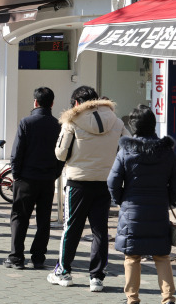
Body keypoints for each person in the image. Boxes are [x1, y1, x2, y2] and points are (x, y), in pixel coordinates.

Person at [48, 86, 129, 292]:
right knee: (100, 230)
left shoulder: (71, 121)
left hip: (78, 181)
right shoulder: (116, 121)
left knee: (72, 228)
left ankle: (64, 272)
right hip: (105, 181)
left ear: (76, 103)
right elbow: (128, 147)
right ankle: (97, 278)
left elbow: (60, 153)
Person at [108, 105, 176, 304]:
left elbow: (113, 181)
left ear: (133, 126)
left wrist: (120, 200)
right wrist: (169, 198)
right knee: (161, 255)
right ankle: (168, 298)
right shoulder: (166, 150)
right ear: (153, 125)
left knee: (132, 256)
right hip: (158, 208)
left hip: (132, 210)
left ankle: (132, 298)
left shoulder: (126, 150)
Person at [4, 87, 63, 270]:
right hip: (47, 179)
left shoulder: (26, 122)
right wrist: (55, 173)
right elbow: (62, 154)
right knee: (43, 220)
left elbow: (17, 153)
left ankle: (16, 258)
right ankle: (38, 257)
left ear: (35, 102)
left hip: (26, 178)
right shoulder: (58, 125)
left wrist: (16, 174)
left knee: (19, 218)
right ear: (52, 103)